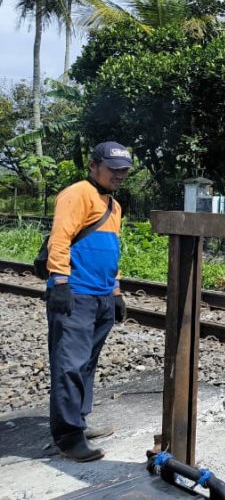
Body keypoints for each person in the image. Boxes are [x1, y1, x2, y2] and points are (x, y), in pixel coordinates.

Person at [45, 141, 133, 462]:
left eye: (124, 170)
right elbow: (61, 238)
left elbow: (112, 252)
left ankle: (78, 422)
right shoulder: (76, 194)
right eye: (114, 169)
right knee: (69, 364)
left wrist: (116, 291)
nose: (119, 175)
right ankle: (68, 436)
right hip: (76, 293)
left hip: (101, 296)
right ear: (94, 166)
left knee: (87, 363)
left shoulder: (114, 205)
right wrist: (60, 282)